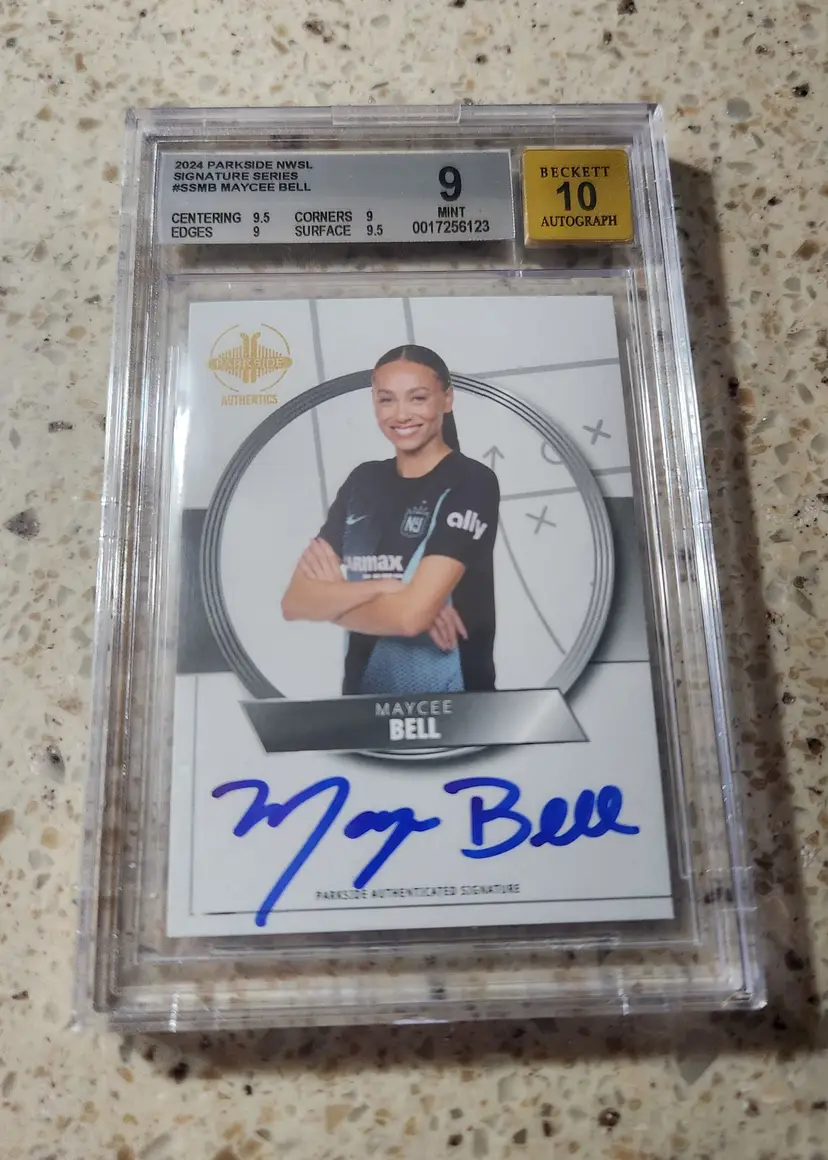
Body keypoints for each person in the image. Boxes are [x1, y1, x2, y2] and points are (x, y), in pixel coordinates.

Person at [281, 344, 500, 695]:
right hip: (362, 704)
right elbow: (295, 601)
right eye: (387, 400)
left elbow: (409, 618)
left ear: (447, 399)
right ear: (374, 403)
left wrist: (332, 600)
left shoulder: (471, 482)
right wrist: (386, 589)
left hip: (455, 705)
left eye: (418, 398)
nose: (401, 414)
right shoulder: (362, 482)